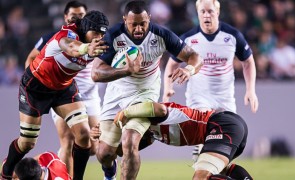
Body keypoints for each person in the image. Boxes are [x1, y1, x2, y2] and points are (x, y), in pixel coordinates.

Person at [91, 1, 202, 179]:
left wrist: (189, 69)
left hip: (145, 94)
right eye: (133, 24)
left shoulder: (161, 34)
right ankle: (110, 172)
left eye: (143, 23)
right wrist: (126, 70)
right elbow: (95, 73)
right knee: (104, 154)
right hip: (116, 93)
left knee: (129, 141)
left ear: (149, 19)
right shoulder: (113, 36)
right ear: (124, 20)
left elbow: (194, 57)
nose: (138, 29)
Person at [0, 10, 109, 180]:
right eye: (95, 33)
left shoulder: (98, 43)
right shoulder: (67, 34)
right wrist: (87, 48)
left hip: (63, 88)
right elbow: (70, 47)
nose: (99, 37)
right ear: (85, 29)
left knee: (83, 135)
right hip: (36, 87)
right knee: (27, 143)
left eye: (102, 33)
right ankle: (5, 172)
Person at [162, 0, 259, 161]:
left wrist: (251, 90)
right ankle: (201, 156)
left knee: (227, 138)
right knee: (203, 132)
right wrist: (167, 88)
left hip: (225, 96)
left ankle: (216, 168)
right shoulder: (189, 38)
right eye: (203, 12)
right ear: (198, 14)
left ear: (218, 12)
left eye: (210, 11)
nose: (207, 15)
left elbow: (248, 61)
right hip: (198, 95)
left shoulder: (232, 36)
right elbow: (172, 63)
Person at [24, 1, 102, 176]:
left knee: (93, 146)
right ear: (66, 17)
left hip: (90, 96)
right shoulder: (54, 37)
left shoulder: (95, 38)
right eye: (73, 16)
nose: (77, 19)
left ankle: (54, 162)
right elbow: (31, 59)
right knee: (67, 140)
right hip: (62, 93)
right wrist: (37, 83)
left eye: (81, 16)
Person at [112, 101, 253, 180]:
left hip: (221, 125)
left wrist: (126, 112)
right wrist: (105, 143)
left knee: (200, 178)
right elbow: (124, 150)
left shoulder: (152, 114)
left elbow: (159, 109)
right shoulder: (148, 133)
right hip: (226, 127)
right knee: (222, 170)